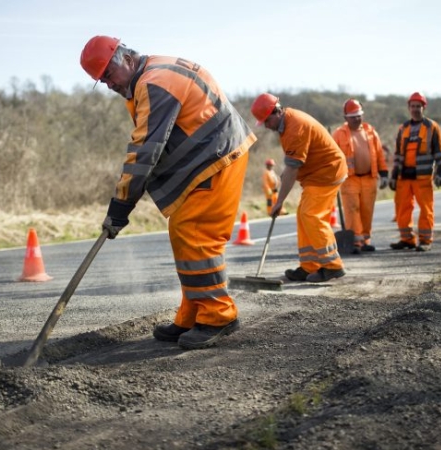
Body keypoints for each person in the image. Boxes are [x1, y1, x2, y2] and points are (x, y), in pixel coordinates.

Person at [79, 36, 256, 349]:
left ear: (126, 58)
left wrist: (120, 205)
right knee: (183, 231)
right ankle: (192, 314)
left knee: (194, 234)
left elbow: (146, 150)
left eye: (108, 74)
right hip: (209, 156)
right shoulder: (152, 73)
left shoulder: (155, 82)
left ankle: (218, 315)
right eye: (101, 80)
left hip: (217, 158)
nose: (108, 84)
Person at [250, 93, 347, 283]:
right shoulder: (286, 124)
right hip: (316, 174)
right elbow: (294, 162)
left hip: (327, 173)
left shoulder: (295, 127)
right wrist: (288, 171)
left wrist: (279, 202)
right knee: (303, 215)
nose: (267, 126)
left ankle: (332, 266)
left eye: (266, 121)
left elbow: (294, 168)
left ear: (276, 112)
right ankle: (309, 266)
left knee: (311, 216)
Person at [389, 92, 441, 252]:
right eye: (413, 106)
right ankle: (407, 239)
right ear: (409, 108)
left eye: (418, 106)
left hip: (422, 177)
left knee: (426, 209)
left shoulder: (432, 127)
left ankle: (425, 240)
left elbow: (439, 152)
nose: (415, 109)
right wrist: (394, 174)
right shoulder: (403, 128)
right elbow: (398, 153)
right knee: (402, 209)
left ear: (424, 107)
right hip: (404, 177)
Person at [331, 99, 389, 254]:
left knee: (367, 210)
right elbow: (331, 156)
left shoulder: (371, 132)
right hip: (349, 179)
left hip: (369, 178)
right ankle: (355, 242)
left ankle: (365, 240)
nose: (356, 119)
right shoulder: (338, 134)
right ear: (346, 118)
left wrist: (384, 173)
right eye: (353, 116)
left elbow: (379, 155)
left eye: (359, 115)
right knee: (352, 209)